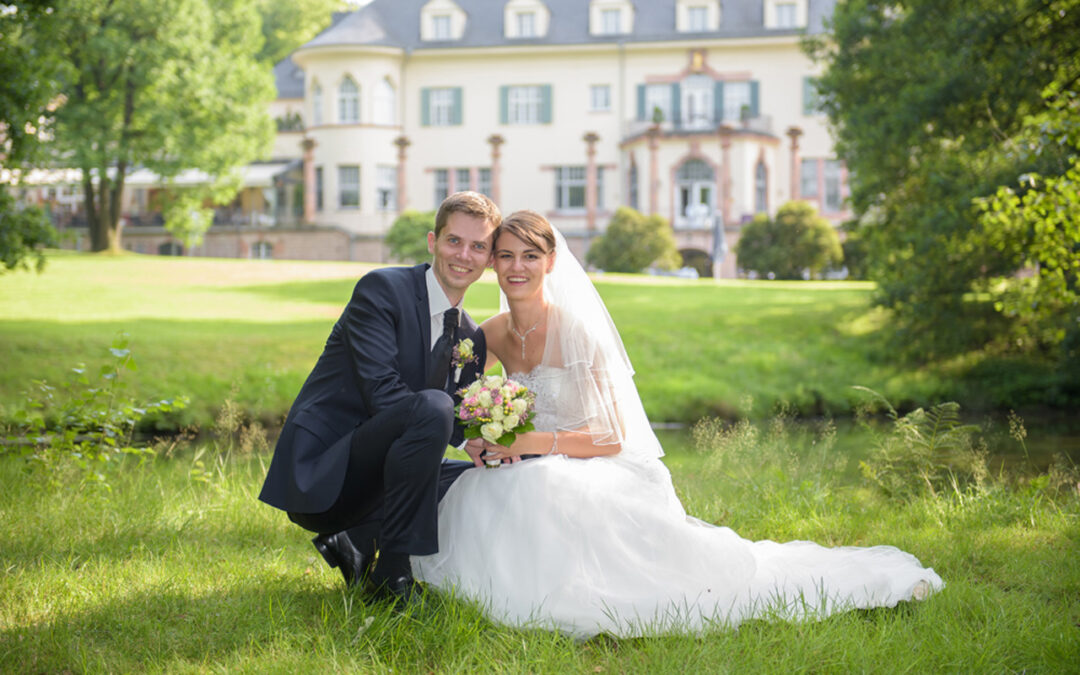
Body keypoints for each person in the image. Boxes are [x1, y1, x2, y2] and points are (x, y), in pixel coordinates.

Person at [412, 210, 943, 638]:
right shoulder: (493, 332)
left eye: (530, 255)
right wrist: (485, 438)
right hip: (530, 460)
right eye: (504, 256)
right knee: (480, 486)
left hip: (595, 462)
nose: (516, 267)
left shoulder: (578, 333)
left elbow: (611, 437)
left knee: (542, 482)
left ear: (552, 262)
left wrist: (534, 443)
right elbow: (474, 405)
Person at [259, 191, 500, 604]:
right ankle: (393, 575)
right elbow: (384, 393)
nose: (464, 255)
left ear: (490, 258)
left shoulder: (470, 337)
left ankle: (355, 540)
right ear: (432, 242)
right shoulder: (383, 289)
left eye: (478, 246)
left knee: (488, 483)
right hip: (327, 474)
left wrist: (478, 441)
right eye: (453, 241)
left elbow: (455, 416)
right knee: (433, 405)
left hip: (381, 477)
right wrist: (449, 425)